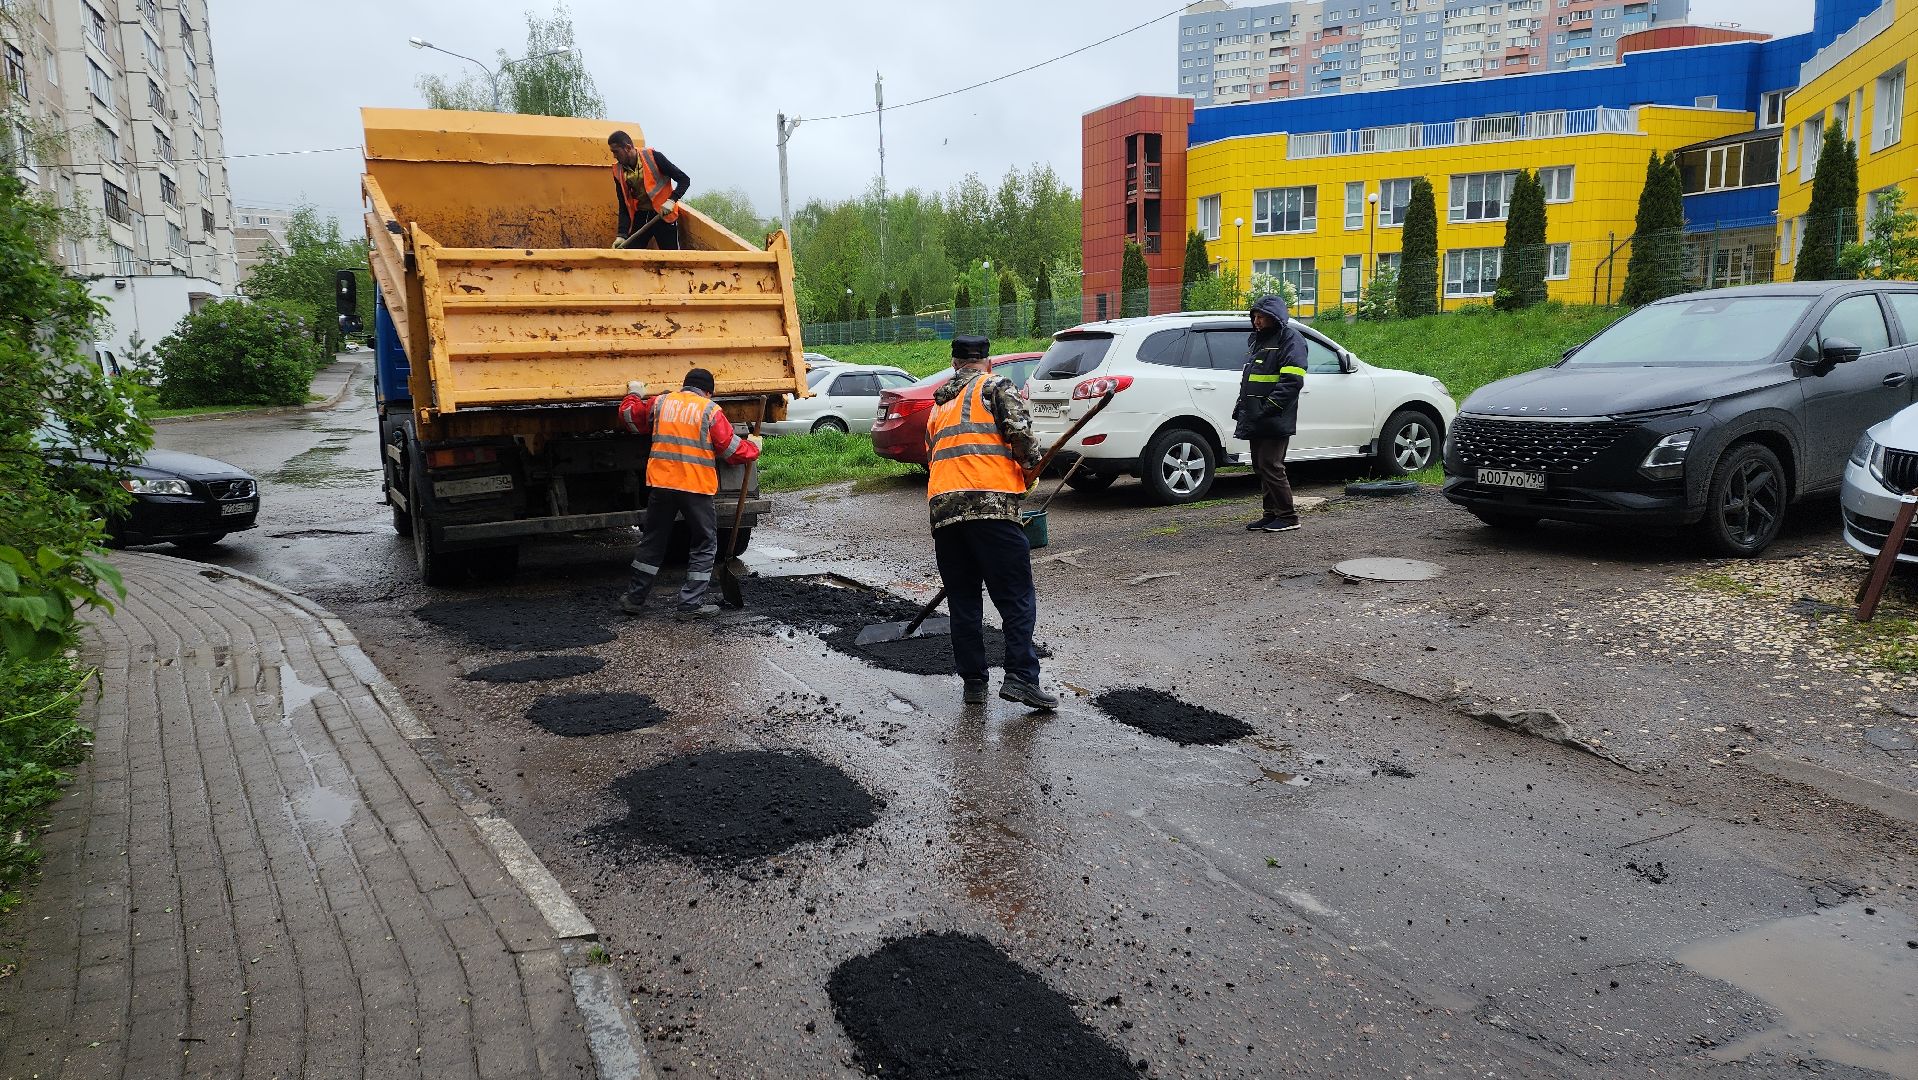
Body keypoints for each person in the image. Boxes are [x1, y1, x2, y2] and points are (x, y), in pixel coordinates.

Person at [924, 335, 1057, 710]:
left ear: (954, 363)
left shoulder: (939, 406)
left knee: (965, 602)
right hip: (991, 507)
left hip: (945, 513)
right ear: (988, 361)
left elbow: (933, 455)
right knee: (1015, 597)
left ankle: (974, 684)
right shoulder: (996, 386)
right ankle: (1021, 678)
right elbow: (1021, 438)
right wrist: (1031, 468)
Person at [616, 368, 758, 619]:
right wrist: (753, 448)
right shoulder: (709, 410)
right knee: (705, 543)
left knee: (653, 542)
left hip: (662, 485)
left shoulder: (661, 402)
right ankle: (689, 604)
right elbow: (731, 451)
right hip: (695, 487)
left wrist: (634, 394)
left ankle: (634, 599)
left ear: (684, 386)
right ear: (708, 391)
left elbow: (629, 417)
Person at [1233, 294, 1308, 533]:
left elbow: (1293, 380)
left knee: (1271, 465)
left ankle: (1288, 516)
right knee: (1261, 465)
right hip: (1258, 414)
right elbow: (1250, 380)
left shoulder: (1290, 338)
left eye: (1262, 316)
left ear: (1274, 316)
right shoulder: (1260, 340)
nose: (1257, 321)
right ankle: (1271, 514)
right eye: (1254, 316)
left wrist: (1270, 407)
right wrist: (1243, 407)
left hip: (1274, 415)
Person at [608, 130, 690, 251]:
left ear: (628, 147)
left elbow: (684, 180)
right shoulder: (618, 171)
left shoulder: (653, 157)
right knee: (630, 255)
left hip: (663, 215)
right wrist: (621, 235)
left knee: (672, 258)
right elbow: (624, 205)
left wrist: (671, 201)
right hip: (642, 215)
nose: (614, 156)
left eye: (616, 151)